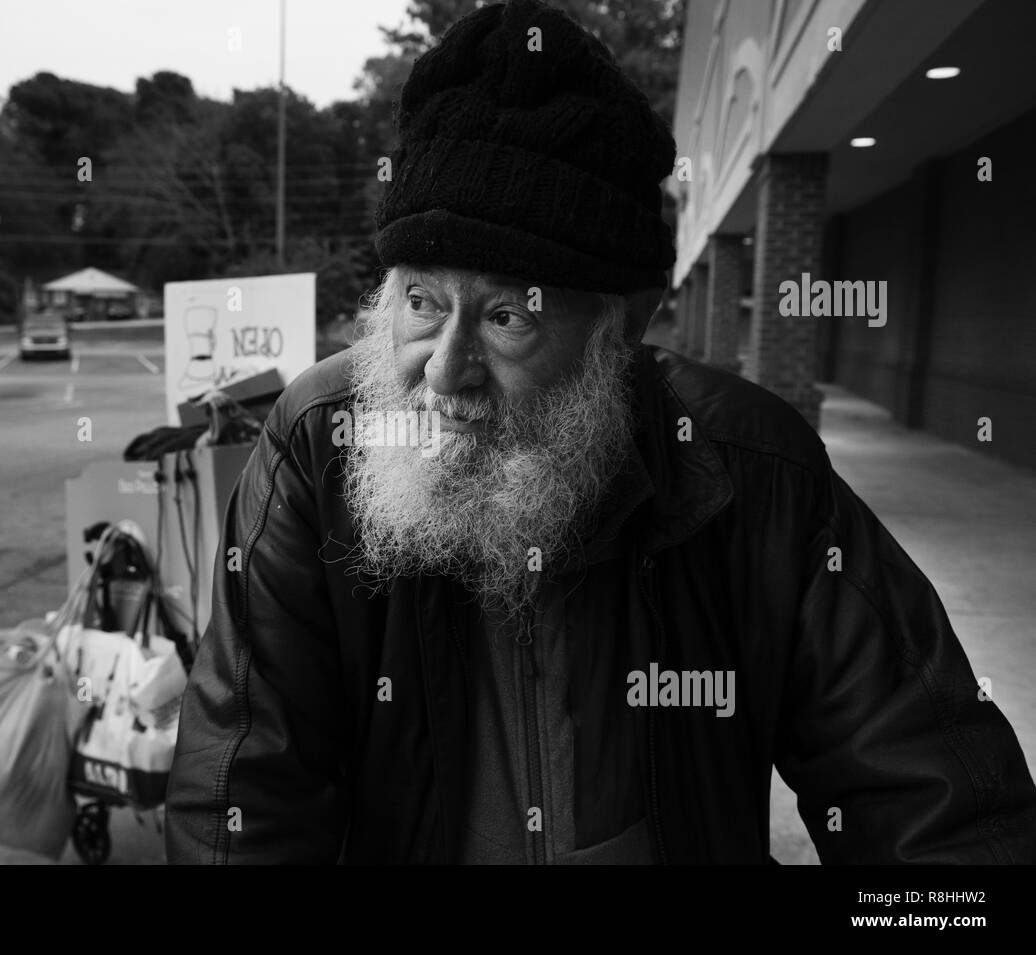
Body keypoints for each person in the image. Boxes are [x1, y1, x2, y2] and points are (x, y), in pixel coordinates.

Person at [163, 0, 1036, 863]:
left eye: (507, 316)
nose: (442, 369)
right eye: (422, 302)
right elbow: (241, 803)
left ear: (622, 329)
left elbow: (946, 817)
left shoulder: (751, 472)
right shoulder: (319, 447)